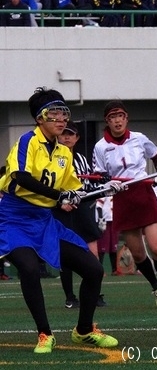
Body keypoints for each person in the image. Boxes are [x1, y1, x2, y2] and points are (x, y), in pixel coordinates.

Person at [0, 87, 119, 353]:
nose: (61, 118)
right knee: (29, 269)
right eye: (54, 113)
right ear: (39, 118)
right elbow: (21, 177)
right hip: (14, 218)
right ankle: (45, 333)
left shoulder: (65, 154)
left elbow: (75, 194)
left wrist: (106, 189)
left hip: (44, 221)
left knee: (94, 270)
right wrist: (60, 195)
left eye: (63, 113)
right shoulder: (27, 141)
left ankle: (85, 331)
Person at [92, 100, 157, 309]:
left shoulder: (139, 139)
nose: (117, 121)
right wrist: (108, 182)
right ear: (108, 121)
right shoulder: (100, 147)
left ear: (126, 118)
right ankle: (155, 286)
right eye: (113, 117)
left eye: (120, 116)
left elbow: (156, 157)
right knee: (138, 254)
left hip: (144, 193)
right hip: (122, 198)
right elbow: (99, 175)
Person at [53, 120, 108, 309]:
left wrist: (103, 182)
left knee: (93, 252)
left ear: (77, 138)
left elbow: (89, 187)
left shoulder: (82, 160)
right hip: (62, 208)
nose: (67, 137)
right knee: (66, 254)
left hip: (82, 207)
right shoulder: (53, 157)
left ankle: (95, 294)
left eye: (71, 134)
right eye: (64, 134)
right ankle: (70, 297)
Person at [95, 195, 119, 276]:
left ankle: (114, 269)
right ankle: (100, 269)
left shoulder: (116, 190)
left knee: (114, 246)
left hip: (113, 220)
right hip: (105, 221)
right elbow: (98, 205)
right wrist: (101, 218)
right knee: (102, 246)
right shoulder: (104, 188)